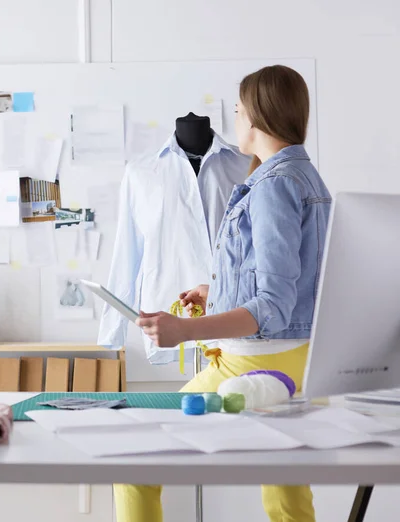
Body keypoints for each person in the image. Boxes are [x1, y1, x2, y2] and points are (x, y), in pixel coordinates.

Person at [115, 65, 331, 522]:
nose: (234, 117)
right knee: (287, 489)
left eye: (238, 108)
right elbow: (291, 280)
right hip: (298, 358)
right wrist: (216, 291)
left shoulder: (272, 186)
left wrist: (186, 330)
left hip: (256, 362)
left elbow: (271, 306)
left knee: (133, 460)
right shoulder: (306, 178)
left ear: (256, 116)